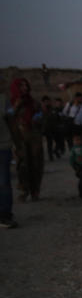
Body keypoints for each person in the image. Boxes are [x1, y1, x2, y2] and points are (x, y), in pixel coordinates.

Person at [8, 77, 43, 201]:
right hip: (19, 138)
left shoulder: (33, 102)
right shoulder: (11, 103)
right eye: (21, 86)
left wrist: (37, 119)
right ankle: (24, 190)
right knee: (23, 164)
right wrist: (16, 107)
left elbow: (40, 115)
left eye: (26, 85)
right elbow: (8, 118)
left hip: (34, 137)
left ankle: (35, 191)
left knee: (36, 163)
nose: (25, 88)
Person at [0, 78, 17, 228]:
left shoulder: (3, 99)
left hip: (2, 147)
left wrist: (17, 145)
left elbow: (11, 122)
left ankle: (4, 216)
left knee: (4, 182)